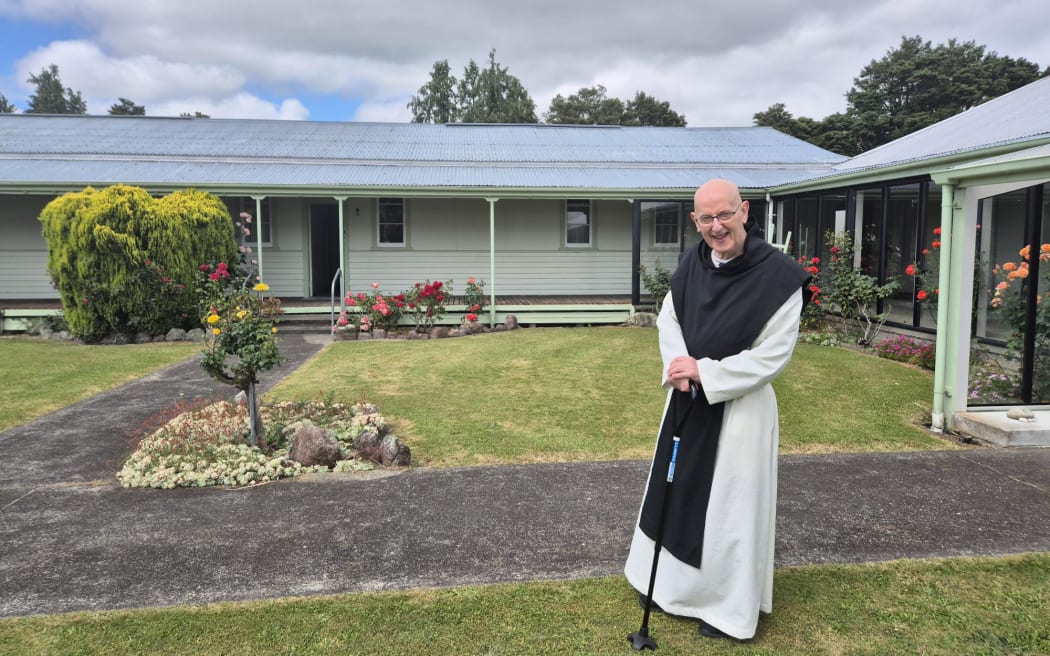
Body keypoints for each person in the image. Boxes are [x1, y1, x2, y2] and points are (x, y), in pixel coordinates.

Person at [624, 178, 811, 641]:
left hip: (740, 411)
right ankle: (666, 586)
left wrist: (706, 372)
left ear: (744, 211)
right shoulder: (692, 263)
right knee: (673, 493)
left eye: (725, 214)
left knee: (730, 508)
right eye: (706, 218)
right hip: (686, 397)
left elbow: (773, 355)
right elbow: (670, 320)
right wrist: (679, 367)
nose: (717, 226)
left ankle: (725, 608)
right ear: (695, 221)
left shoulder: (779, 276)